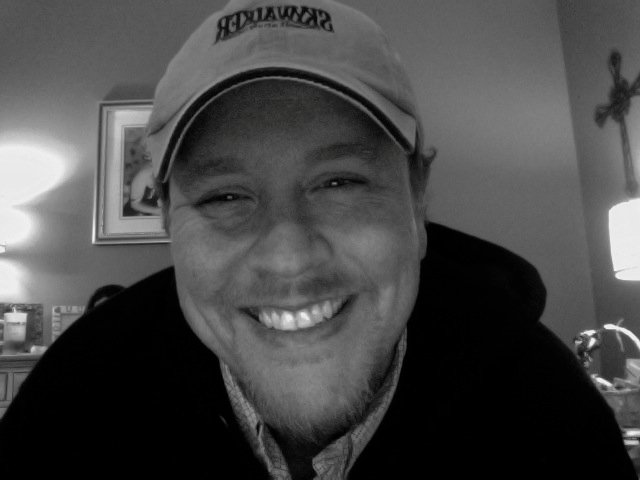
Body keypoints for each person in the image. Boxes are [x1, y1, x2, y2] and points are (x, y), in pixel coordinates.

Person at [0, 1, 635, 478]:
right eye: (225, 196)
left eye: (339, 182)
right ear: (167, 217)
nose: (288, 256)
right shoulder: (67, 416)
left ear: (417, 199)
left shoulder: (549, 420)